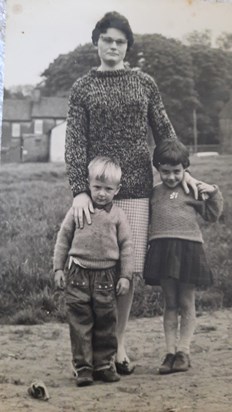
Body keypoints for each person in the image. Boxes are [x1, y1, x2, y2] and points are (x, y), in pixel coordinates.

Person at [65, 10, 199, 374]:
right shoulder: (83, 87)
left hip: (138, 188)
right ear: (97, 42)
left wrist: (184, 172)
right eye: (106, 39)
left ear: (128, 47)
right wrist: (80, 191)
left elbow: (165, 131)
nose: (112, 46)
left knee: (127, 268)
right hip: (97, 193)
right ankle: (90, 349)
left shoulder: (145, 83)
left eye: (119, 41)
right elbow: (75, 143)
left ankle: (117, 346)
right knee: (96, 269)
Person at [143, 139, 223, 374]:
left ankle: (183, 352)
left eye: (176, 172)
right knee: (170, 303)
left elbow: (212, 215)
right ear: (158, 169)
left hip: (188, 250)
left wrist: (213, 192)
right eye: (165, 172)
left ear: (185, 168)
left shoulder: (191, 190)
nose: (170, 177)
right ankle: (169, 353)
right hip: (162, 250)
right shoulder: (154, 193)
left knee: (187, 302)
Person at [53, 156, 133, 387]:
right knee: (80, 321)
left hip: (106, 277)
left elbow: (127, 246)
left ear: (117, 190)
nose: (101, 193)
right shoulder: (78, 210)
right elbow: (63, 239)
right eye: (97, 187)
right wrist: (58, 268)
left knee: (106, 321)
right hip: (77, 274)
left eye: (108, 189)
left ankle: (104, 365)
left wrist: (126, 276)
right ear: (88, 185)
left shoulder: (118, 215)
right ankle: (83, 368)